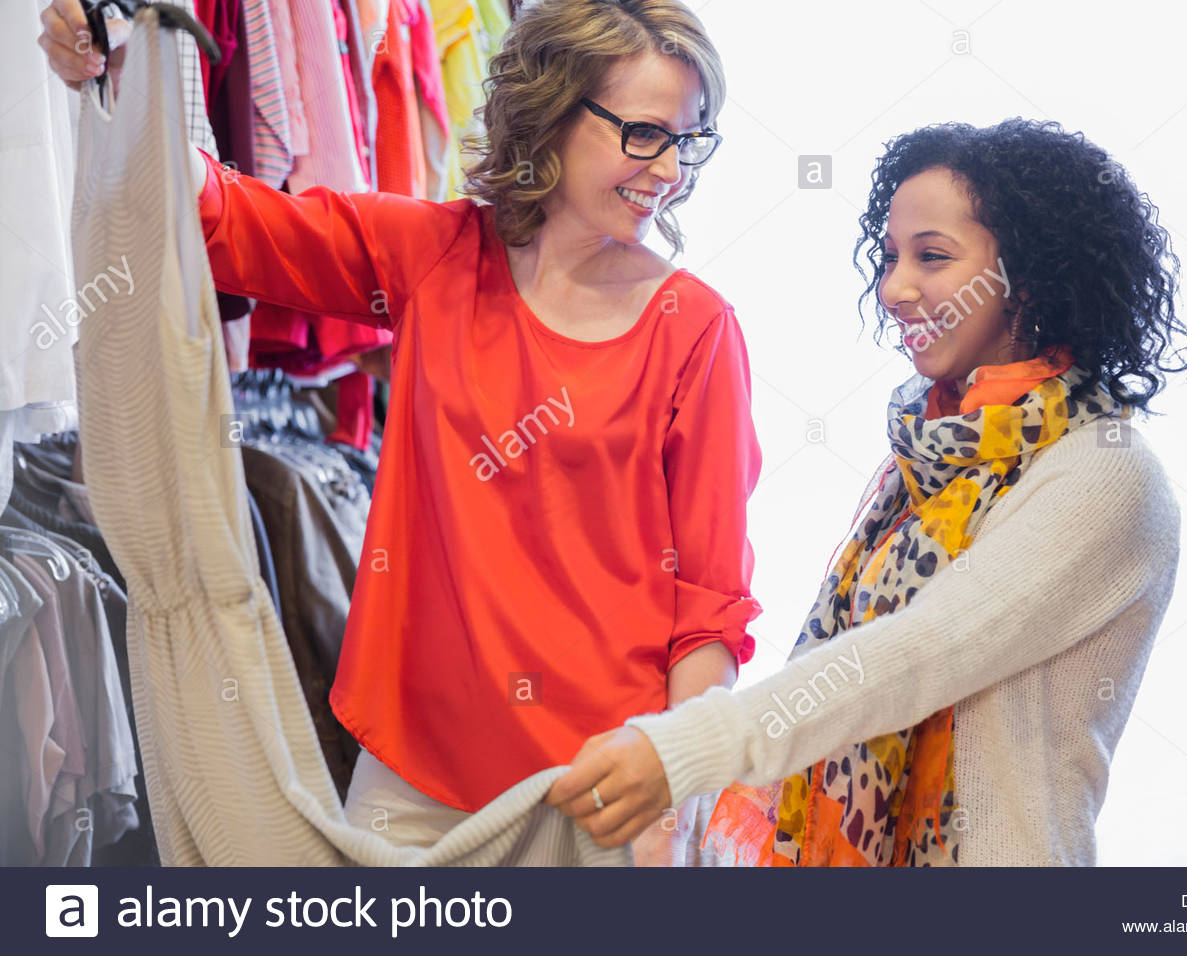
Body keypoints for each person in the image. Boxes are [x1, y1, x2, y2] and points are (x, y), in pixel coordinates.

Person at [38, 0, 761, 865]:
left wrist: (672, 781)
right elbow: (222, 219)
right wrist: (117, 60)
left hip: (600, 790)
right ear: (554, 114)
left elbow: (709, 609)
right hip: (410, 780)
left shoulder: (697, 330)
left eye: (690, 139)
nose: (671, 169)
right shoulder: (436, 259)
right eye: (646, 135)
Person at [547, 119, 1187, 866]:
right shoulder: (925, 455)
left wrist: (689, 746)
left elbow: (918, 653)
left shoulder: (1107, 475)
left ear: (1033, 275)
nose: (894, 288)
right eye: (889, 258)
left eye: (932, 257)